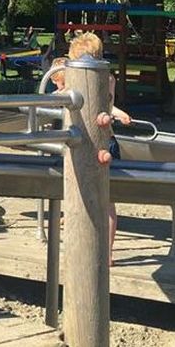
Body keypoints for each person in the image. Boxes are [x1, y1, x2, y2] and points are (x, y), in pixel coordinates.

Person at [67, 32, 131, 264]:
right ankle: (103, 250)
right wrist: (119, 112)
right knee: (102, 201)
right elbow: (105, 106)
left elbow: (97, 105)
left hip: (95, 143)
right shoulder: (108, 78)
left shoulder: (86, 78)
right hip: (104, 141)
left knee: (101, 200)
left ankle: (105, 251)